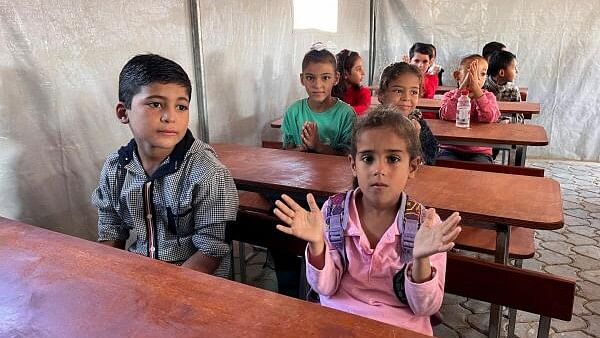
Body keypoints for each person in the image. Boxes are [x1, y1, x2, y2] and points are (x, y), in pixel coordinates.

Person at [273, 106, 461, 335]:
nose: (378, 169)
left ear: (412, 166)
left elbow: (424, 308)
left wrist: (420, 260)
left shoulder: (427, 226)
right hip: (339, 322)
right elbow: (325, 287)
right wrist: (317, 246)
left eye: (393, 159)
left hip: (401, 327)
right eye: (368, 158)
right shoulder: (334, 215)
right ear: (353, 165)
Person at [91, 54, 238, 278]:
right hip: (140, 276)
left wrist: (164, 291)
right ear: (123, 112)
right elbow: (111, 231)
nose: (170, 117)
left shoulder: (208, 172)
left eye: (181, 107)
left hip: (196, 284)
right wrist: (106, 280)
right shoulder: (115, 169)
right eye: (156, 104)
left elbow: (211, 250)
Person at [281, 42, 356, 155]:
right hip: (299, 172)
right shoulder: (294, 112)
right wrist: (303, 149)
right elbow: (286, 151)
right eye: (310, 78)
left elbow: (349, 156)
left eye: (325, 77)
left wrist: (318, 146)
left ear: (336, 78)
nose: (317, 85)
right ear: (302, 79)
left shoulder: (346, 115)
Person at [439, 54, 501, 163]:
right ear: (457, 75)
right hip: (450, 148)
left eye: (482, 74)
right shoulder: (449, 96)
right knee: (442, 168)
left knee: (481, 172)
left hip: (480, 150)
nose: (475, 79)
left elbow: (489, 117)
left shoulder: (489, 97)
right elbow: (448, 115)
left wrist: (478, 93)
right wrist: (462, 89)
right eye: (470, 73)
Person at [377, 62, 439, 165]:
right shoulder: (374, 125)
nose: (406, 98)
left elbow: (432, 154)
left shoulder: (417, 122)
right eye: (398, 91)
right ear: (381, 95)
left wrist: (416, 139)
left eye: (414, 92)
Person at [332, 49, 371, 116]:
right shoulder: (332, 92)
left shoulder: (364, 92)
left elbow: (364, 109)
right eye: (358, 69)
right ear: (345, 74)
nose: (363, 73)